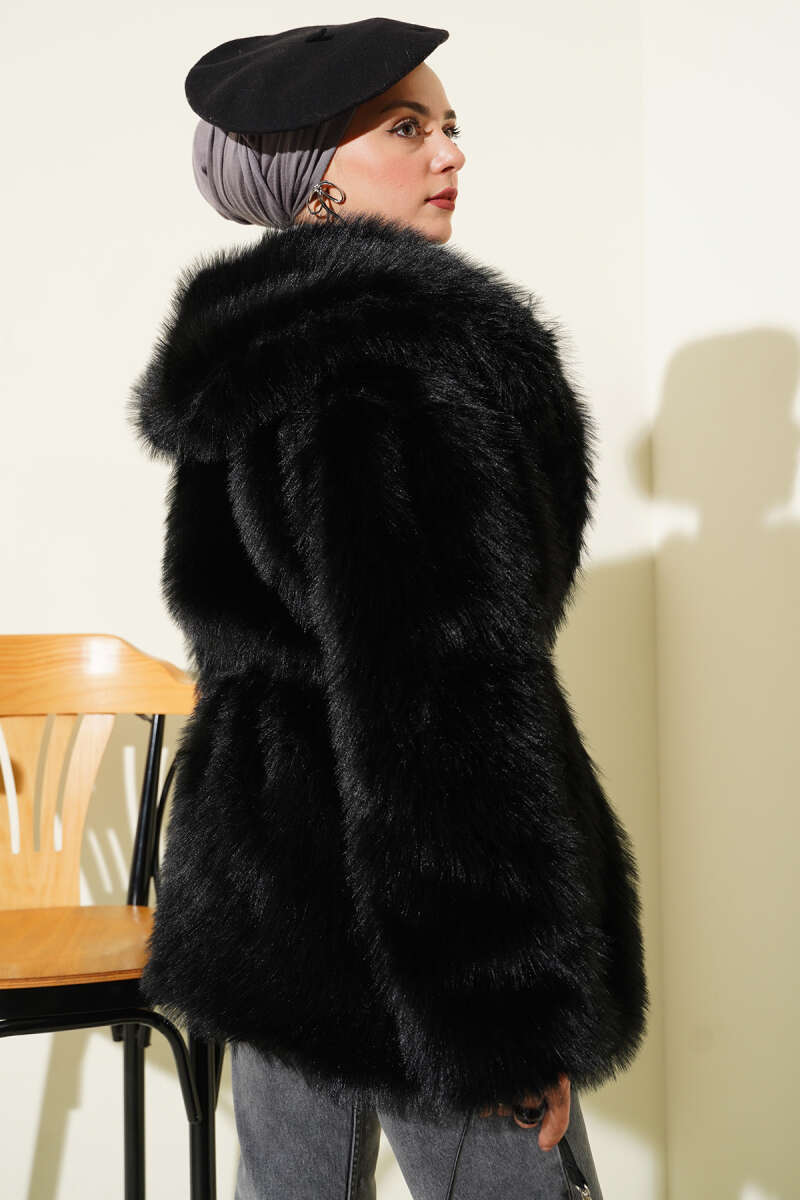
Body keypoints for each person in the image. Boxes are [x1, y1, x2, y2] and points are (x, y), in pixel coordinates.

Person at [128, 18, 649, 1199]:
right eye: (406, 128)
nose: (448, 152)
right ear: (314, 174)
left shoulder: (256, 360)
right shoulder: (395, 371)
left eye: (450, 125)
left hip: (265, 886)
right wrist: (498, 1008)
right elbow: (434, 699)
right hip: (407, 923)